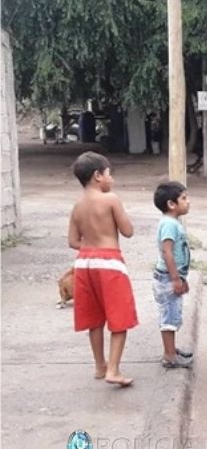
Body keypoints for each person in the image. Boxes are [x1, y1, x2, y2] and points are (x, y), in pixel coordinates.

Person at [67, 151, 138, 387]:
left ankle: (100, 365)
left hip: (84, 262)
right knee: (119, 318)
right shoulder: (111, 200)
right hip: (109, 262)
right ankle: (114, 370)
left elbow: (72, 241)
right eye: (109, 174)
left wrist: (90, 245)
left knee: (94, 318)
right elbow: (128, 231)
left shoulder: (77, 206)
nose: (112, 179)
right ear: (98, 175)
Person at [152, 181, 193, 369]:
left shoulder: (172, 223)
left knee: (173, 314)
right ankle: (169, 356)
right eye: (184, 198)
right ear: (171, 204)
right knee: (169, 317)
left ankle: (172, 349)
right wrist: (175, 278)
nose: (188, 201)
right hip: (168, 278)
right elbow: (167, 251)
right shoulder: (169, 225)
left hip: (172, 276)